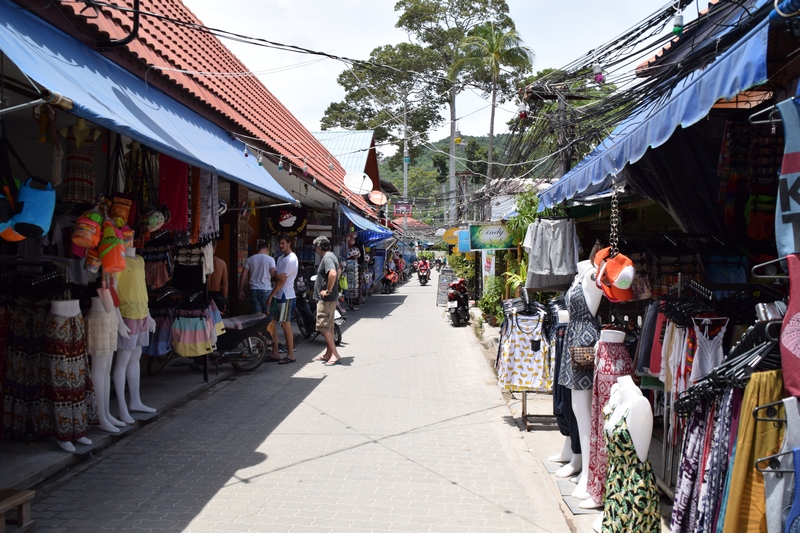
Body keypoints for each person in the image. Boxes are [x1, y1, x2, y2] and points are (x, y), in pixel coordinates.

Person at [267, 235, 299, 364]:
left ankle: (290, 355)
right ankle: (275, 353)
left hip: (286, 294)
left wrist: (270, 295)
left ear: (289, 243)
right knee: (273, 323)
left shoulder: (291, 259)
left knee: (285, 325)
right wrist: (276, 278)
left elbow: (281, 280)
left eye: (283, 243)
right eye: (279, 243)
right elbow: (275, 278)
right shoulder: (280, 258)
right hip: (278, 294)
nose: (281, 246)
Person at [312, 236, 342, 365]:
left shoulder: (327, 257)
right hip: (330, 297)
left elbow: (334, 273)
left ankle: (334, 354)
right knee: (328, 326)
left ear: (319, 247)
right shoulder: (332, 256)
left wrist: (328, 290)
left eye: (316, 248)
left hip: (326, 298)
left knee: (323, 326)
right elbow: (339, 270)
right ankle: (328, 353)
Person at [238, 241, 277, 318]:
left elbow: (243, 276)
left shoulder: (250, 259)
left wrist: (241, 291)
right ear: (266, 250)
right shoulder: (270, 259)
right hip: (266, 289)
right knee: (267, 314)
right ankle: (266, 329)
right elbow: (273, 276)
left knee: (256, 316)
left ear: (257, 249)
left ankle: (257, 330)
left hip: (253, 289)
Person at [207, 240, 228, 312]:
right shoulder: (222, 263)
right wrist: (224, 301)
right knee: (217, 321)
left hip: (205, 294)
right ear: (214, 248)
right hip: (217, 296)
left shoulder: (202, 264)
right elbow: (224, 284)